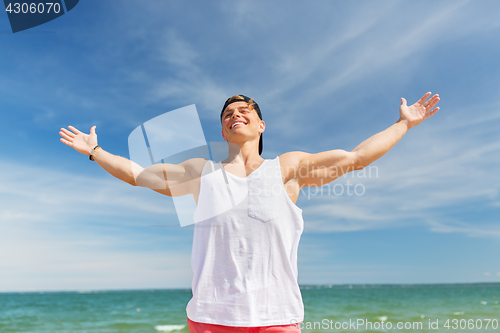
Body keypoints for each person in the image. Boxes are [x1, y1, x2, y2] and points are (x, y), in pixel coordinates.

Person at [59, 93, 440, 332]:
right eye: (228, 113)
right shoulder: (199, 173)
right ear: (223, 130)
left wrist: (403, 124)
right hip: (210, 318)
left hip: (276, 317)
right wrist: (95, 152)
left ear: (260, 125)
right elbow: (138, 175)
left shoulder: (287, 169)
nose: (235, 114)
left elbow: (356, 158)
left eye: (245, 110)